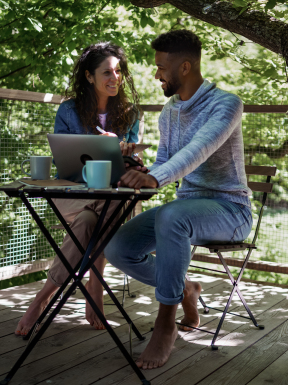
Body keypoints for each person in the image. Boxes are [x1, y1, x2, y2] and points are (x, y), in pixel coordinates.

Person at [104, 30, 253, 369]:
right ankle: (185, 288)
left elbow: (197, 150)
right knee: (118, 247)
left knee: (173, 217)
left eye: (161, 67)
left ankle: (166, 324)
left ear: (184, 67)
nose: (156, 74)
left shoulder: (226, 104)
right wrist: (138, 172)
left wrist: (155, 177)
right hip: (186, 208)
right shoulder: (170, 110)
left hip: (231, 211)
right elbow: (164, 160)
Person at [15, 42, 143, 335]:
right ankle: (94, 288)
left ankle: (42, 298)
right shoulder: (69, 111)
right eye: (106, 72)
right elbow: (66, 163)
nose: (115, 78)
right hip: (72, 194)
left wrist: (127, 152)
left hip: (110, 196)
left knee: (90, 222)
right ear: (89, 76)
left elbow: (136, 165)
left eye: (118, 71)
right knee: (101, 213)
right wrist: (100, 147)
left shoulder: (130, 113)